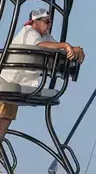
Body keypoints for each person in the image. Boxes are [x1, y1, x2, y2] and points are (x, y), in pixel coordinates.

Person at [0, 8, 86, 142]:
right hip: (7, 80)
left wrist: (76, 49)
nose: (49, 25)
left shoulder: (45, 36)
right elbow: (41, 45)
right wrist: (65, 45)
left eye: (50, 22)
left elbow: (55, 46)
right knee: (3, 114)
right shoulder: (29, 32)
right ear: (35, 22)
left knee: (6, 117)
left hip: (18, 83)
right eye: (46, 21)